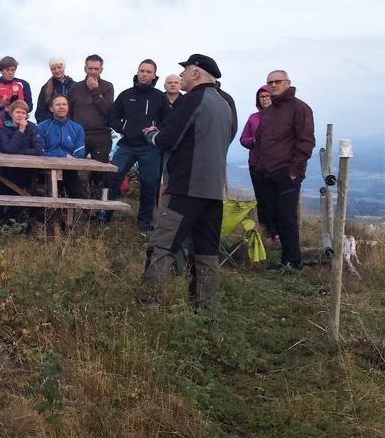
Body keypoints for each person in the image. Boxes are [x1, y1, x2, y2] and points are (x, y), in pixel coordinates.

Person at [142, 54, 236, 311]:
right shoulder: (225, 103)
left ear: (196, 73)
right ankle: (206, 311)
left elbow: (168, 139)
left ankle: (149, 306)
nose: (181, 76)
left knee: (161, 246)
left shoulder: (193, 100)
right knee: (206, 253)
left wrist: (151, 135)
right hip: (214, 191)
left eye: (184, 72)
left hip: (185, 187)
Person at [251, 70, 315, 271]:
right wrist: (260, 168)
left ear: (288, 83)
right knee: (275, 216)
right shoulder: (268, 112)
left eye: (278, 81)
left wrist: (295, 170)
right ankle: (286, 260)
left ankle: (293, 262)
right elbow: (261, 142)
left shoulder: (300, 108)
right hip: (267, 173)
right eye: (270, 82)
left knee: (287, 217)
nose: (274, 85)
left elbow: (306, 141)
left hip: (287, 173)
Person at [101, 59, 168, 231]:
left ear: (154, 75)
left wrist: (157, 128)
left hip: (150, 148)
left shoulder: (160, 97)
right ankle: (104, 215)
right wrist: (123, 128)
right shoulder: (126, 94)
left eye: (148, 72)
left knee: (149, 184)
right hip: (127, 145)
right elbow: (112, 117)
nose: (144, 74)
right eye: (142, 71)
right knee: (112, 178)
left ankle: (144, 223)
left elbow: (169, 121)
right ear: (137, 72)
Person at [69, 54, 114, 198]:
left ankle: (95, 210)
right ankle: (78, 202)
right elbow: (69, 111)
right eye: (90, 68)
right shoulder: (75, 88)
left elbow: (108, 111)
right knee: (71, 170)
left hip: (101, 136)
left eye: (96, 68)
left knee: (99, 173)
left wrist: (96, 90)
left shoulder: (107, 86)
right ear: (85, 68)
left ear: (101, 69)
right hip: (79, 135)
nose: (93, 71)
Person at [240, 86, 277, 241]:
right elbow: (243, 139)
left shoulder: (280, 117)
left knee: (276, 200)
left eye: (267, 96)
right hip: (256, 164)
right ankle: (265, 232)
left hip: (276, 164)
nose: (264, 99)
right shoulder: (253, 118)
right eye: (261, 96)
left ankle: (277, 232)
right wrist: (253, 141)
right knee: (262, 200)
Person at [38, 95, 88, 199]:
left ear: (68, 107)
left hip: (69, 169)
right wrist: (63, 155)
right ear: (51, 109)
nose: (61, 107)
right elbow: (39, 151)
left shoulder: (77, 128)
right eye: (58, 104)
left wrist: (67, 159)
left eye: (64, 104)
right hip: (45, 168)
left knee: (78, 192)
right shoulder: (42, 127)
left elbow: (79, 155)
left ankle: (91, 214)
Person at [0, 56, 33, 131]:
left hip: (20, 126)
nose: (10, 73)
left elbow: (29, 106)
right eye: (7, 70)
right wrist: (1, 104)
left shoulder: (23, 84)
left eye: (13, 70)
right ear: (1, 71)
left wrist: (19, 108)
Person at [35, 56, 76, 123]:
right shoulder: (45, 88)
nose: (57, 70)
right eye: (53, 68)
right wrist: (47, 127)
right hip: (51, 127)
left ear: (64, 67)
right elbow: (40, 112)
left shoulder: (74, 86)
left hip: (71, 127)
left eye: (59, 67)